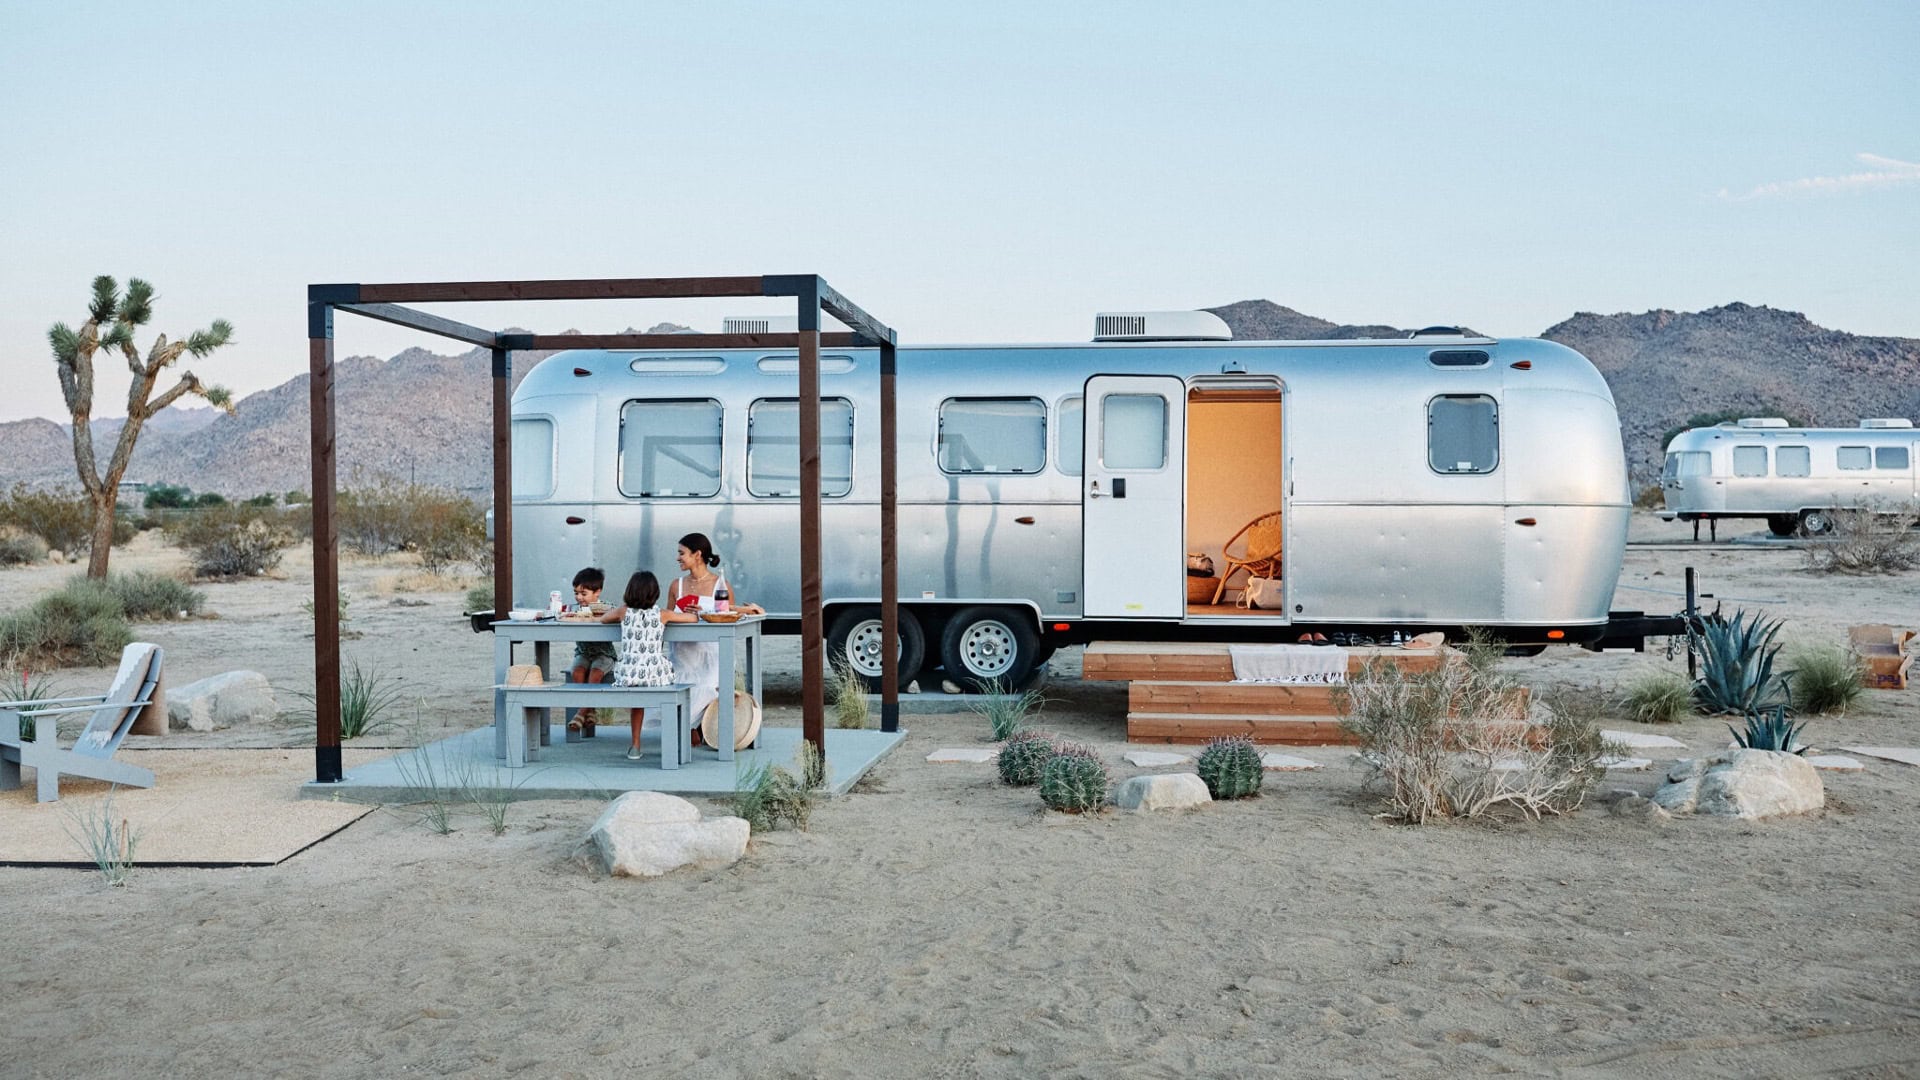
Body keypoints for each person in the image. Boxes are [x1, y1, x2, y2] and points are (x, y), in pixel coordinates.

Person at [667, 532, 763, 747]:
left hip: (710, 651)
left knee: (710, 686)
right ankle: (690, 727)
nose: (678, 558)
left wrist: (741, 609)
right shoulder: (677, 585)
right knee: (683, 686)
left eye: (682, 553)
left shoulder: (720, 584)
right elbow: (668, 617)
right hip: (683, 652)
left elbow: (726, 614)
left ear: (697, 554)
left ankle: (703, 727)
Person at [595, 571, 681, 761]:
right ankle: (676, 742)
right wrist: (693, 613)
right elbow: (692, 619)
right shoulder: (662, 614)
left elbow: (603, 618)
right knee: (675, 679)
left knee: (638, 704)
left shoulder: (623, 611)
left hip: (628, 674)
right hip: (655, 673)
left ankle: (635, 746)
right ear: (655, 593)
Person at [565, 567, 615, 736]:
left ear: (597, 592)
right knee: (577, 672)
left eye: (583, 593)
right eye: (576, 593)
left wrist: (600, 614)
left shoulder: (606, 607)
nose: (579, 598)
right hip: (583, 652)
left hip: (604, 654)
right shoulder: (574, 609)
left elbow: (616, 612)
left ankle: (580, 713)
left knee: (595, 673)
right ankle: (590, 710)